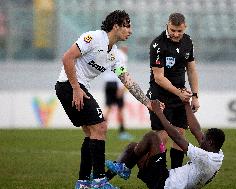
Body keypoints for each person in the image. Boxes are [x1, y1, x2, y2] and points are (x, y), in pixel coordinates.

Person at [55, 10, 152, 189]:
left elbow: (127, 80)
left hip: (77, 88)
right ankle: (99, 182)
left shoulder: (114, 54)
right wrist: (76, 88)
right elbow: (67, 58)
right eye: (127, 26)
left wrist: (147, 102)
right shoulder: (93, 38)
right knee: (100, 127)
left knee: (92, 132)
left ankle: (83, 183)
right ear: (116, 26)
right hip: (69, 86)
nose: (130, 31)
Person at [105, 100, 225, 189]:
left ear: (210, 142)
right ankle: (104, 180)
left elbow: (176, 136)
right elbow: (196, 130)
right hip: (164, 177)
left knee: (153, 137)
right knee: (134, 147)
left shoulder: (205, 158)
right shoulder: (217, 153)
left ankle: (125, 167)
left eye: (204, 139)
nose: (201, 139)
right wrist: (186, 104)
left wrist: (159, 112)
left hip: (165, 183)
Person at [147, 12, 200, 169]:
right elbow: (158, 77)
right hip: (160, 97)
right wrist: (179, 93)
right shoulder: (158, 44)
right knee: (161, 137)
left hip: (179, 96)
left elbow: (191, 70)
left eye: (179, 31)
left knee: (180, 135)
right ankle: (160, 177)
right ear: (167, 26)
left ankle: (176, 174)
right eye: (173, 30)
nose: (176, 34)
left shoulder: (188, 41)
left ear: (185, 28)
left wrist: (195, 95)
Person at [103, 45, 133, 140]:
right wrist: (121, 87)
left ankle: (101, 130)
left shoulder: (110, 55)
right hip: (116, 84)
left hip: (108, 83)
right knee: (120, 109)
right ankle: (122, 132)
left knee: (108, 108)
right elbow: (121, 71)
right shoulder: (122, 56)